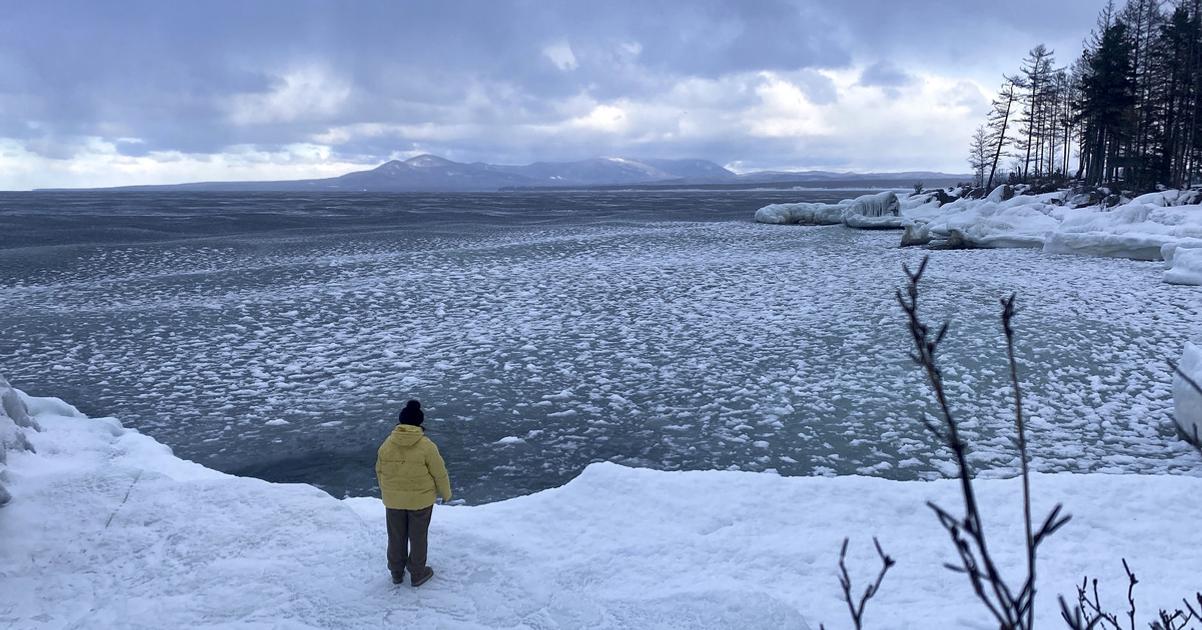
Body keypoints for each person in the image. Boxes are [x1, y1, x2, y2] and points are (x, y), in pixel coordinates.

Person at [375, 399, 452, 587]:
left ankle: (396, 571)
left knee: (396, 536)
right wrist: (446, 493)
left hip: (393, 501)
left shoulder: (387, 444)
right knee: (418, 537)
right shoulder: (426, 445)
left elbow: (379, 470)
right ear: (419, 422)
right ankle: (417, 573)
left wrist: (388, 492)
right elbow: (439, 472)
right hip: (420, 501)